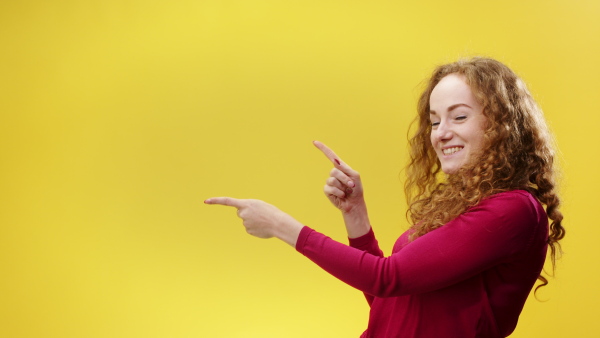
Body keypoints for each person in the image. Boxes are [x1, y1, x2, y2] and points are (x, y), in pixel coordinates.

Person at [204, 57, 565, 338]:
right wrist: (355, 216)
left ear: (502, 124)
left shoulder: (513, 211)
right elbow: (389, 302)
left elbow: (387, 278)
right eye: (435, 120)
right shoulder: (458, 206)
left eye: (459, 116)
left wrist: (282, 227)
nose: (441, 133)